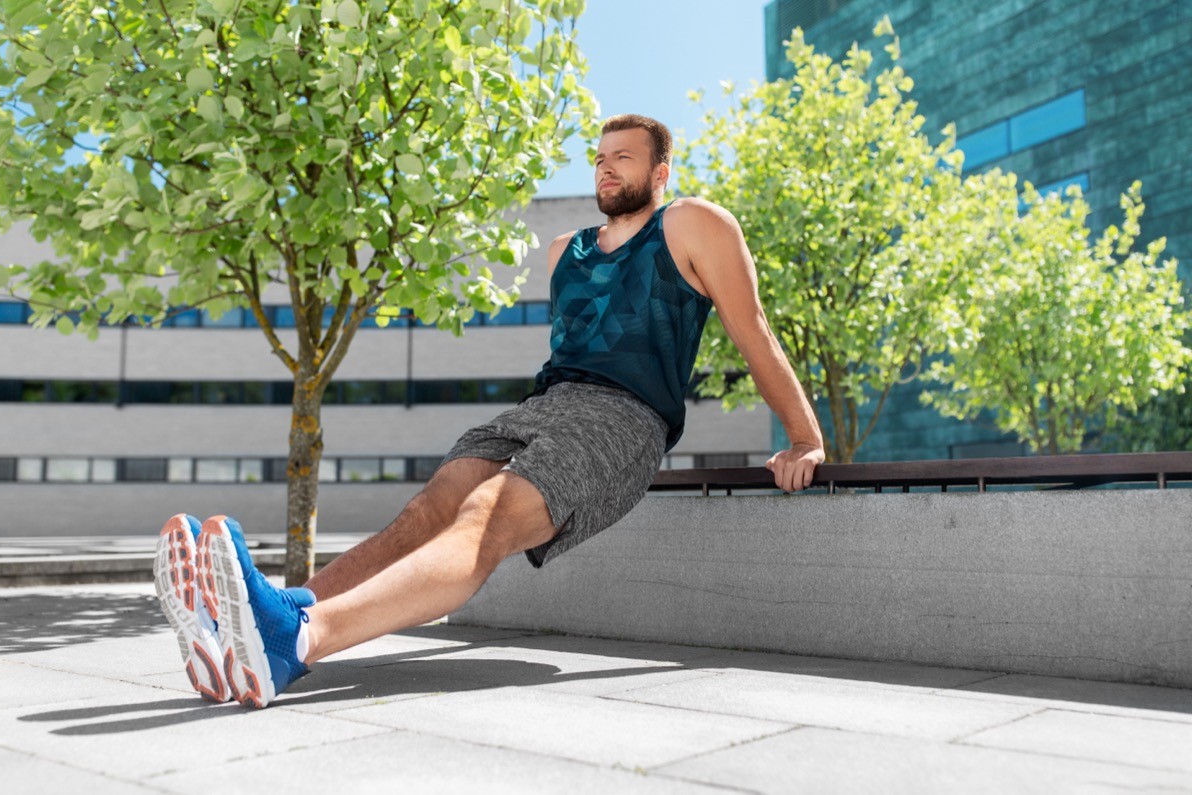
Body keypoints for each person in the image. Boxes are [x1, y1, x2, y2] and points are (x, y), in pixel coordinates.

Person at [153, 114, 826, 708]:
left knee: (486, 515)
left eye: (623, 156)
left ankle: (293, 643)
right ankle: (257, 626)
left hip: (624, 418)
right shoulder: (568, 252)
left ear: (660, 168)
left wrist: (803, 437)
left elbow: (753, 329)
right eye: (598, 156)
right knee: (427, 508)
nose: (606, 166)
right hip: (543, 406)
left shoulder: (690, 223)